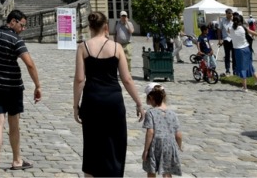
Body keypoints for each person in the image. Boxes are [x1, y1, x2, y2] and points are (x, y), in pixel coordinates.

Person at [73, 11, 144, 177]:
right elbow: (127, 79)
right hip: (113, 101)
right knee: (115, 144)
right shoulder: (117, 47)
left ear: (90, 27)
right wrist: (139, 103)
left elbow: (79, 79)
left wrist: (76, 105)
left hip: (92, 100)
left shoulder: (83, 47)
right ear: (106, 27)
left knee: (91, 145)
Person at [0, 9, 41, 177]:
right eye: (22, 25)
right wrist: (38, 85)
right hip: (13, 87)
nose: (23, 29)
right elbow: (29, 64)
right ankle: (16, 160)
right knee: (14, 124)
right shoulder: (15, 39)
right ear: (13, 21)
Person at [141, 83, 182, 177]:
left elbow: (150, 132)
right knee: (167, 172)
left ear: (151, 97)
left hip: (155, 145)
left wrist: (146, 150)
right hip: (169, 145)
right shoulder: (173, 114)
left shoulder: (150, 113)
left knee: (151, 170)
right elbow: (178, 134)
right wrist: (179, 146)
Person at [231, 15, 257, 91]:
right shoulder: (243, 28)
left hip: (238, 50)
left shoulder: (231, 29)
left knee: (242, 68)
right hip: (246, 48)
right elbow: (256, 34)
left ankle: (245, 87)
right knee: (249, 65)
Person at [219, 8, 235, 75]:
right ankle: (227, 69)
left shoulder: (234, 20)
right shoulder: (222, 20)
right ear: (226, 14)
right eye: (229, 13)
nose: (230, 14)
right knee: (227, 55)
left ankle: (235, 69)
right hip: (226, 39)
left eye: (231, 13)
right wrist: (220, 39)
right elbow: (219, 30)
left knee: (234, 56)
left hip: (233, 40)